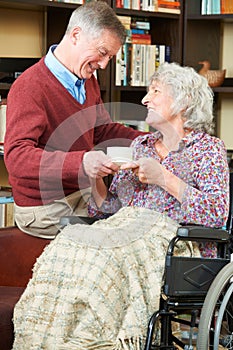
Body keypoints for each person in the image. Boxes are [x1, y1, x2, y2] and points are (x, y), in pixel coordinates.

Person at [12, 62, 229, 350]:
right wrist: (94, 179)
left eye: (155, 91)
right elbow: (107, 210)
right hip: (126, 230)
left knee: (104, 260)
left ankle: (94, 342)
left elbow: (216, 213)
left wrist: (164, 178)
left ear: (183, 101)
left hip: (175, 243)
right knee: (66, 247)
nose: (144, 99)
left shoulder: (208, 150)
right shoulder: (141, 147)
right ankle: (48, 341)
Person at [4, 1, 144, 239]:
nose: (103, 64)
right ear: (76, 35)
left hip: (81, 196)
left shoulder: (88, 79)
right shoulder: (29, 87)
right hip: (45, 207)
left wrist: (151, 141)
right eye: (102, 53)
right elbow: (17, 157)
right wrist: (82, 162)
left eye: (109, 57)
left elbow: (101, 131)